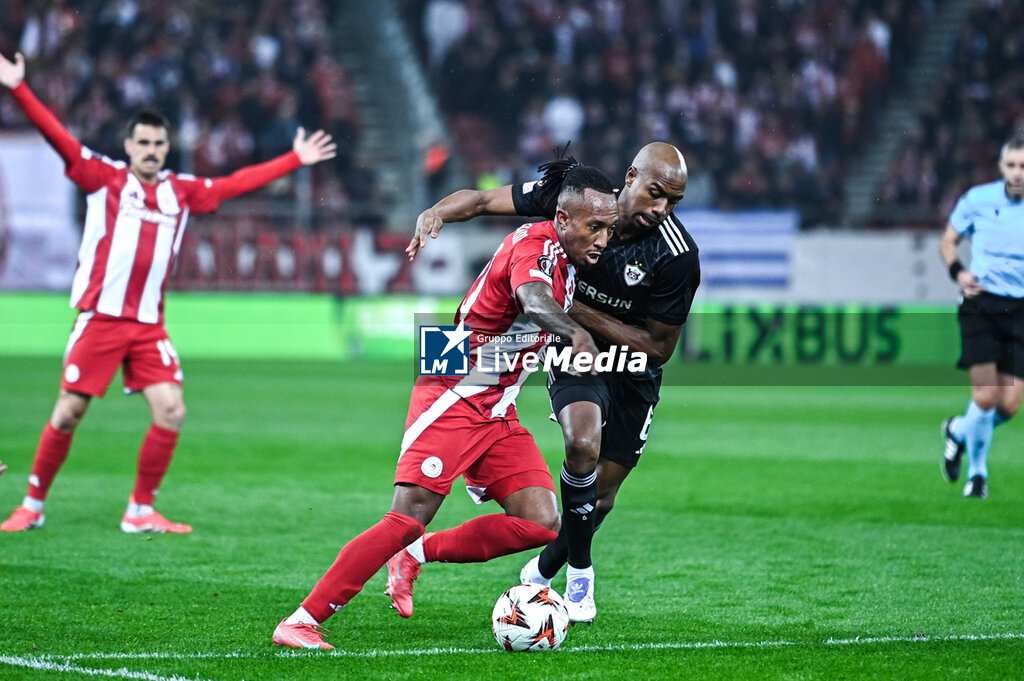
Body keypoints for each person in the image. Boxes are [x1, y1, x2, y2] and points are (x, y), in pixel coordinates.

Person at [271, 165, 617, 650]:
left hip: (496, 401)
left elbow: (477, 202)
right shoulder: (536, 250)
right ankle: (301, 620)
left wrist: (436, 212)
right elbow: (533, 299)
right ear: (562, 218)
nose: (602, 239)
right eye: (594, 227)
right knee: (408, 513)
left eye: (609, 229)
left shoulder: (569, 248)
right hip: (455, 386)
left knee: (541, 521)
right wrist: (576, 333)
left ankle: (415, 554)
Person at [0, 51, 337, 533]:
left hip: (148, 325)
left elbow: (235, 183)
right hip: (101, 317)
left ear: (167, 147)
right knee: (69, 411)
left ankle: (140, 510)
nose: (152, 150)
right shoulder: (104, 179)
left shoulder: (181, 191)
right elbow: (61, 140)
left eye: (159, 143)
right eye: (144, 143)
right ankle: (32, 504)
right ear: (129, 146)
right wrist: (18, 88)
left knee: (172, 409)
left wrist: (294, 160)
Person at [397, 142, 697, 623]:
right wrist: (435, 212)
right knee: (582, 443)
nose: (661, 209)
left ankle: (544, 567)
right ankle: (581, 578)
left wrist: (576, 311)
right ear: (632, 176)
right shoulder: (573, 202)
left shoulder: (676, 256)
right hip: (568, 345)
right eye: (656, 193)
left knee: (600, 495)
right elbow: (478, 201)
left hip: (633, 366)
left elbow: (659, 348)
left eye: (673, 202)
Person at [939, 136, 1024, 500]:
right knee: (987, 397)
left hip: (1020, 310)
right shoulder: (978, 199)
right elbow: (948, 241)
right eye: (1012, 166)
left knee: (1008, 406)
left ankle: (957, 430)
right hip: (982, 304)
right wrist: (958, 272)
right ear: (1001, 168)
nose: (1018, 174)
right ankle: (977, 475)